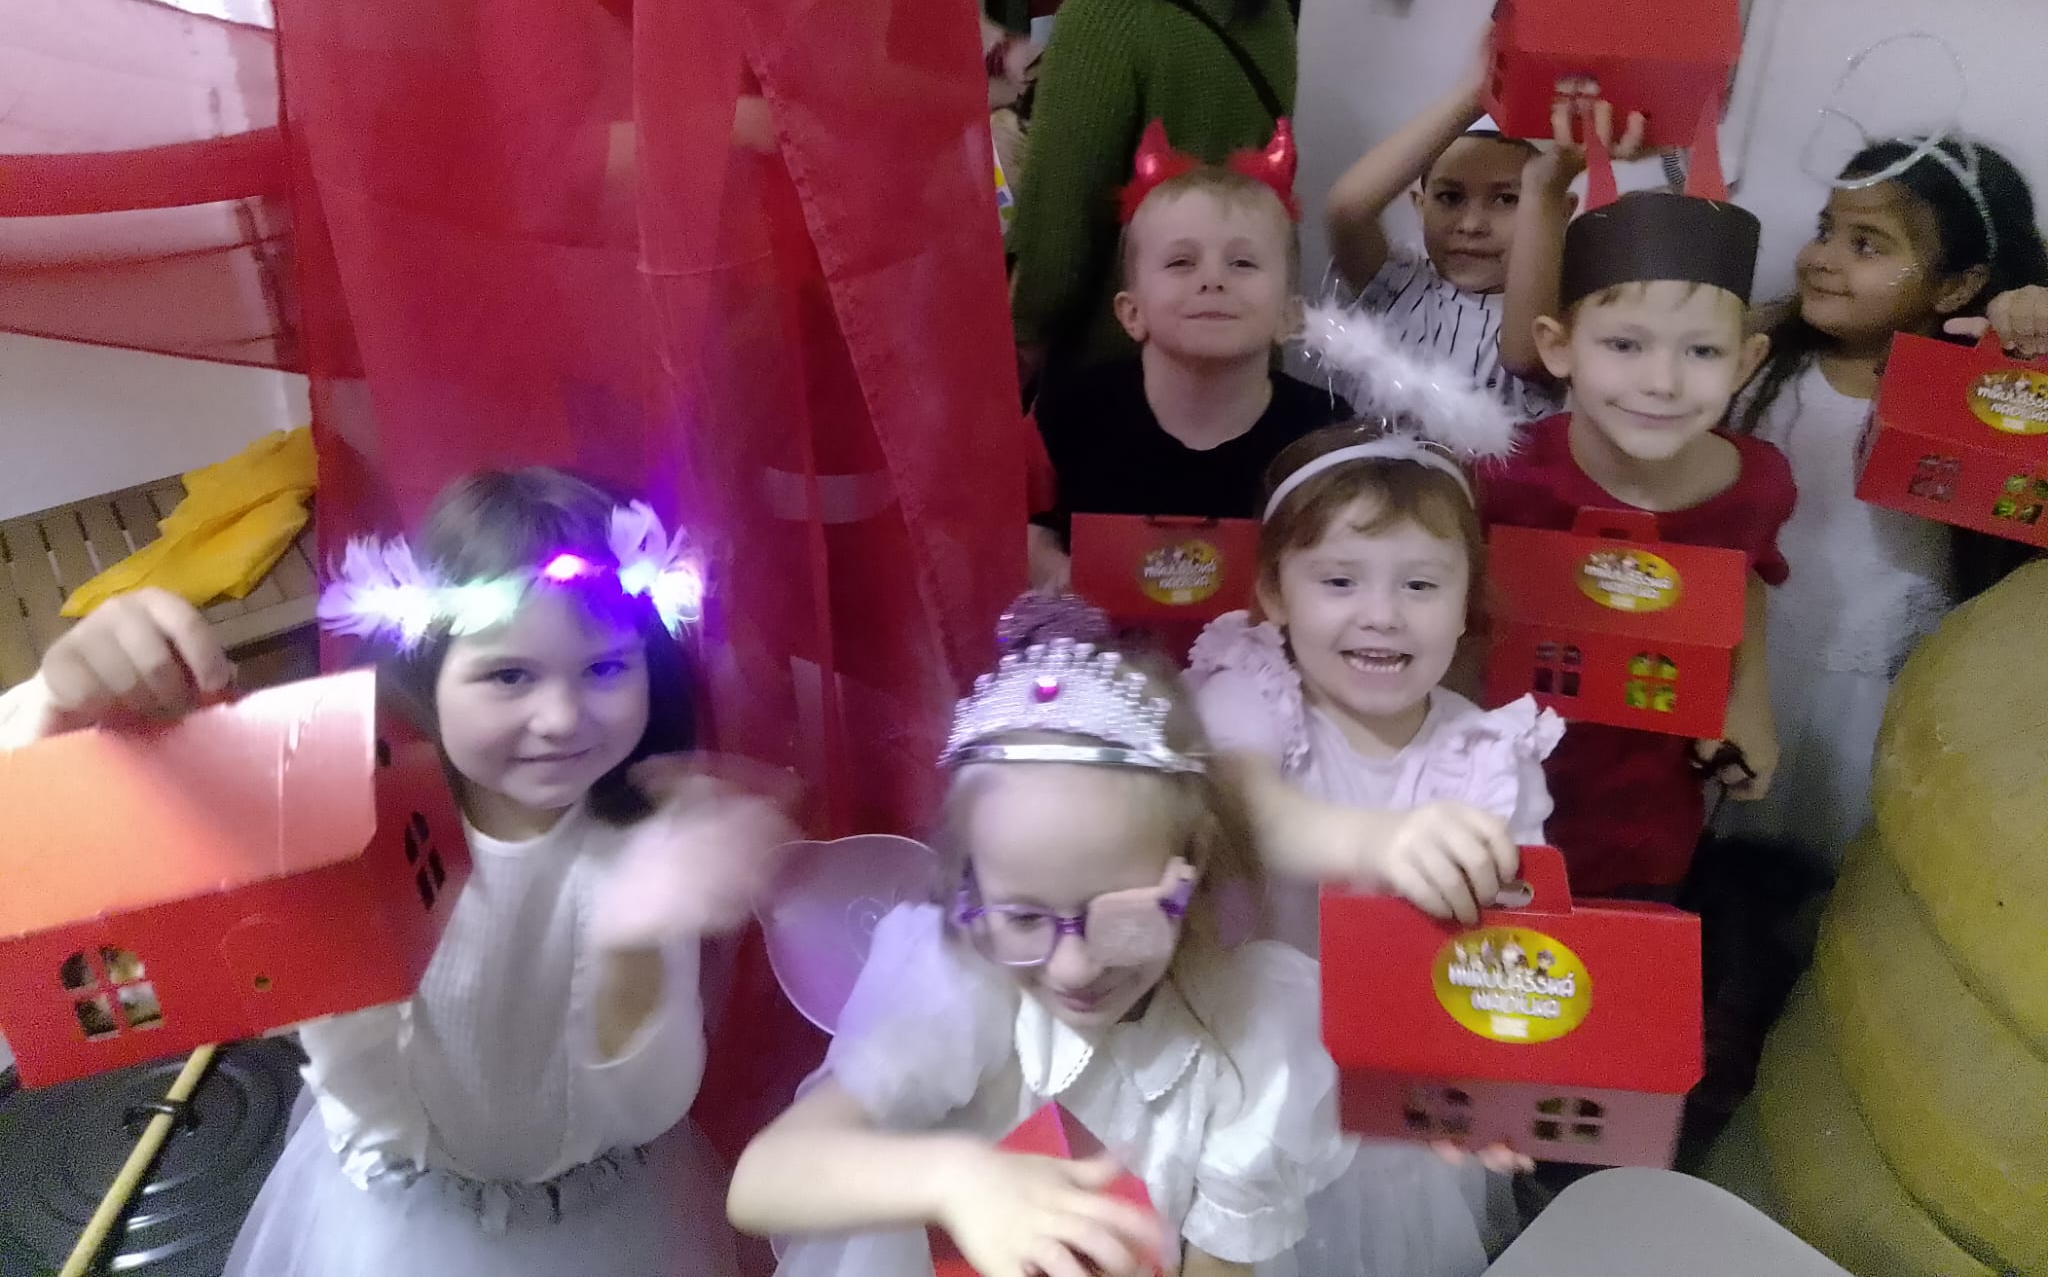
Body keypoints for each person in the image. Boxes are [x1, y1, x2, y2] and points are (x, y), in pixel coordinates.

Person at [6, 469, 792, 1277]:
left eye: (605, 670)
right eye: (509, 675)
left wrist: (638, 945)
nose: (562, 719)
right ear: (425, 670)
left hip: (615, 1221)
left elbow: (647, 1106)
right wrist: (62, 718)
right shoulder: (343, 819)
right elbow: (92, 894)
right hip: (401, 1232)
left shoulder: (650, 834)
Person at [727, 598, 1353, 1277]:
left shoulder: (1252, 1038)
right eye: (1024, 919)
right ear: (972, 888)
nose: (1074, 967)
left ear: (1192, 862)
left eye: (1118, 916)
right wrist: (954, 1179)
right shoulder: (960, 987)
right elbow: (762, 1180)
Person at [1185, 328, 1555, 1276]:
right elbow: (1252, 814)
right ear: (1275, 594)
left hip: (1400, 1104)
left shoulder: (1490, 755)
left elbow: (1519, 949)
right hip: (1251, 1086)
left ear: (1466, 603)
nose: (1382, 613)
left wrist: (1500, 1082)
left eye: (1421, 584)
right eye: (1339, 580)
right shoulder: (1250, 690)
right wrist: (1382, 842)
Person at [1717, 137, 2048, 867]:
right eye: (1825, 230)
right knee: (1718, 858)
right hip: (1748, 668)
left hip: (1870, 695)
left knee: (1822, 876)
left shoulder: (1990, 398)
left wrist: (2033, 343)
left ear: (1956, 287)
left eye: (1866, 244)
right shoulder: (1757, 363)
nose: (1822, 258)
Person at [1481, 132, 1790, 899]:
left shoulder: (1756, 483)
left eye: (1702, 353)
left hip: (1647, 816)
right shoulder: (1505, 475)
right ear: (1559, 348)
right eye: (1624, 344)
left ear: (1746, 361)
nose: (1661, 382)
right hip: (1494, 804)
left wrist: (1747, 697)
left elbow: (1745, 579)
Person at [1009, 0, 1297, 390]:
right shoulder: (1265, 0)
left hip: (1129, 372)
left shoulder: (1104, 12)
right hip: (1242, 364)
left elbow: (1058, 236)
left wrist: (1024, 332)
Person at [1029, 122, 1349, 591]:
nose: (1213, 280)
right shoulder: (1067, 415)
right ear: (1132, 312)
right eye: (1181, 262)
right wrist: (1049, 567)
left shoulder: (1328, 435)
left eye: (1242, 263)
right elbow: (1009, 523)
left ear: (1289, 316)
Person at [1325, 57, 1567, 420]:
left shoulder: (1562, 321)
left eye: (1506, 199)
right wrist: (1475, 93)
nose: (1471, 224)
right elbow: (1348, 209)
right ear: (1420, 206)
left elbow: (1525, 358)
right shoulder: (1399, 288)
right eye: (1450, 197)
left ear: (1558, 211)